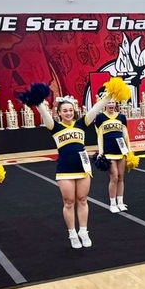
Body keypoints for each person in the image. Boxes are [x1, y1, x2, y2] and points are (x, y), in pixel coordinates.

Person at [35, 94, 105, 248]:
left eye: (71, 110)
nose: (68, 113)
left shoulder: (81, 124)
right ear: (59, 112)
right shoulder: (55, 127)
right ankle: (72, 234)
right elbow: (44, 114)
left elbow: (95, 109)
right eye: (65, 111)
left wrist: (108, 97)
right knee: (69, 202)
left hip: (82, 167)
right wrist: (37, 102)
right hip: (65, 169)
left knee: (83, 199)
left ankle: (84, 232)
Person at [94, 97, 130, 213]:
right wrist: (101, 152)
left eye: (113, 102)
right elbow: (99, 136)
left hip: (121, 151)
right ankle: (113, 203)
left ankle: (120, 202)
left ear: (116, 104)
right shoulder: (100, 117)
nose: (111, 104)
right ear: (105, 104)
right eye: (108, 102)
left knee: (121, 177)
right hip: (108, 151)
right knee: (114, 177)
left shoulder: (121, 117)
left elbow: (126, 135)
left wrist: (129, 151)